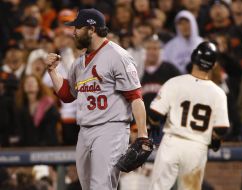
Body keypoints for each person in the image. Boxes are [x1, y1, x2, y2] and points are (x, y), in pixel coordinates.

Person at [45, 8, 148, 190]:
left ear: (92, 29)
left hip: (111, 128)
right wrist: (52, 71)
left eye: (77, 27)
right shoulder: (79, 62)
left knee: (101, 186)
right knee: (87, 187)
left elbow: (135, 97)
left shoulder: (118, 56)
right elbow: (67, 95)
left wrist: (142, 135)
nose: (73, 32)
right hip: (85, 131)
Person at [149, 41, 230, 190]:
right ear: (213, 65)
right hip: (197, 147)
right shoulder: (218, 93)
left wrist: (153, 124)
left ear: (194, 58)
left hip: (172, 143)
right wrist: (215, 140)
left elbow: (155, 113)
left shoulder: (175, 82)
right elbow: (221, 129)